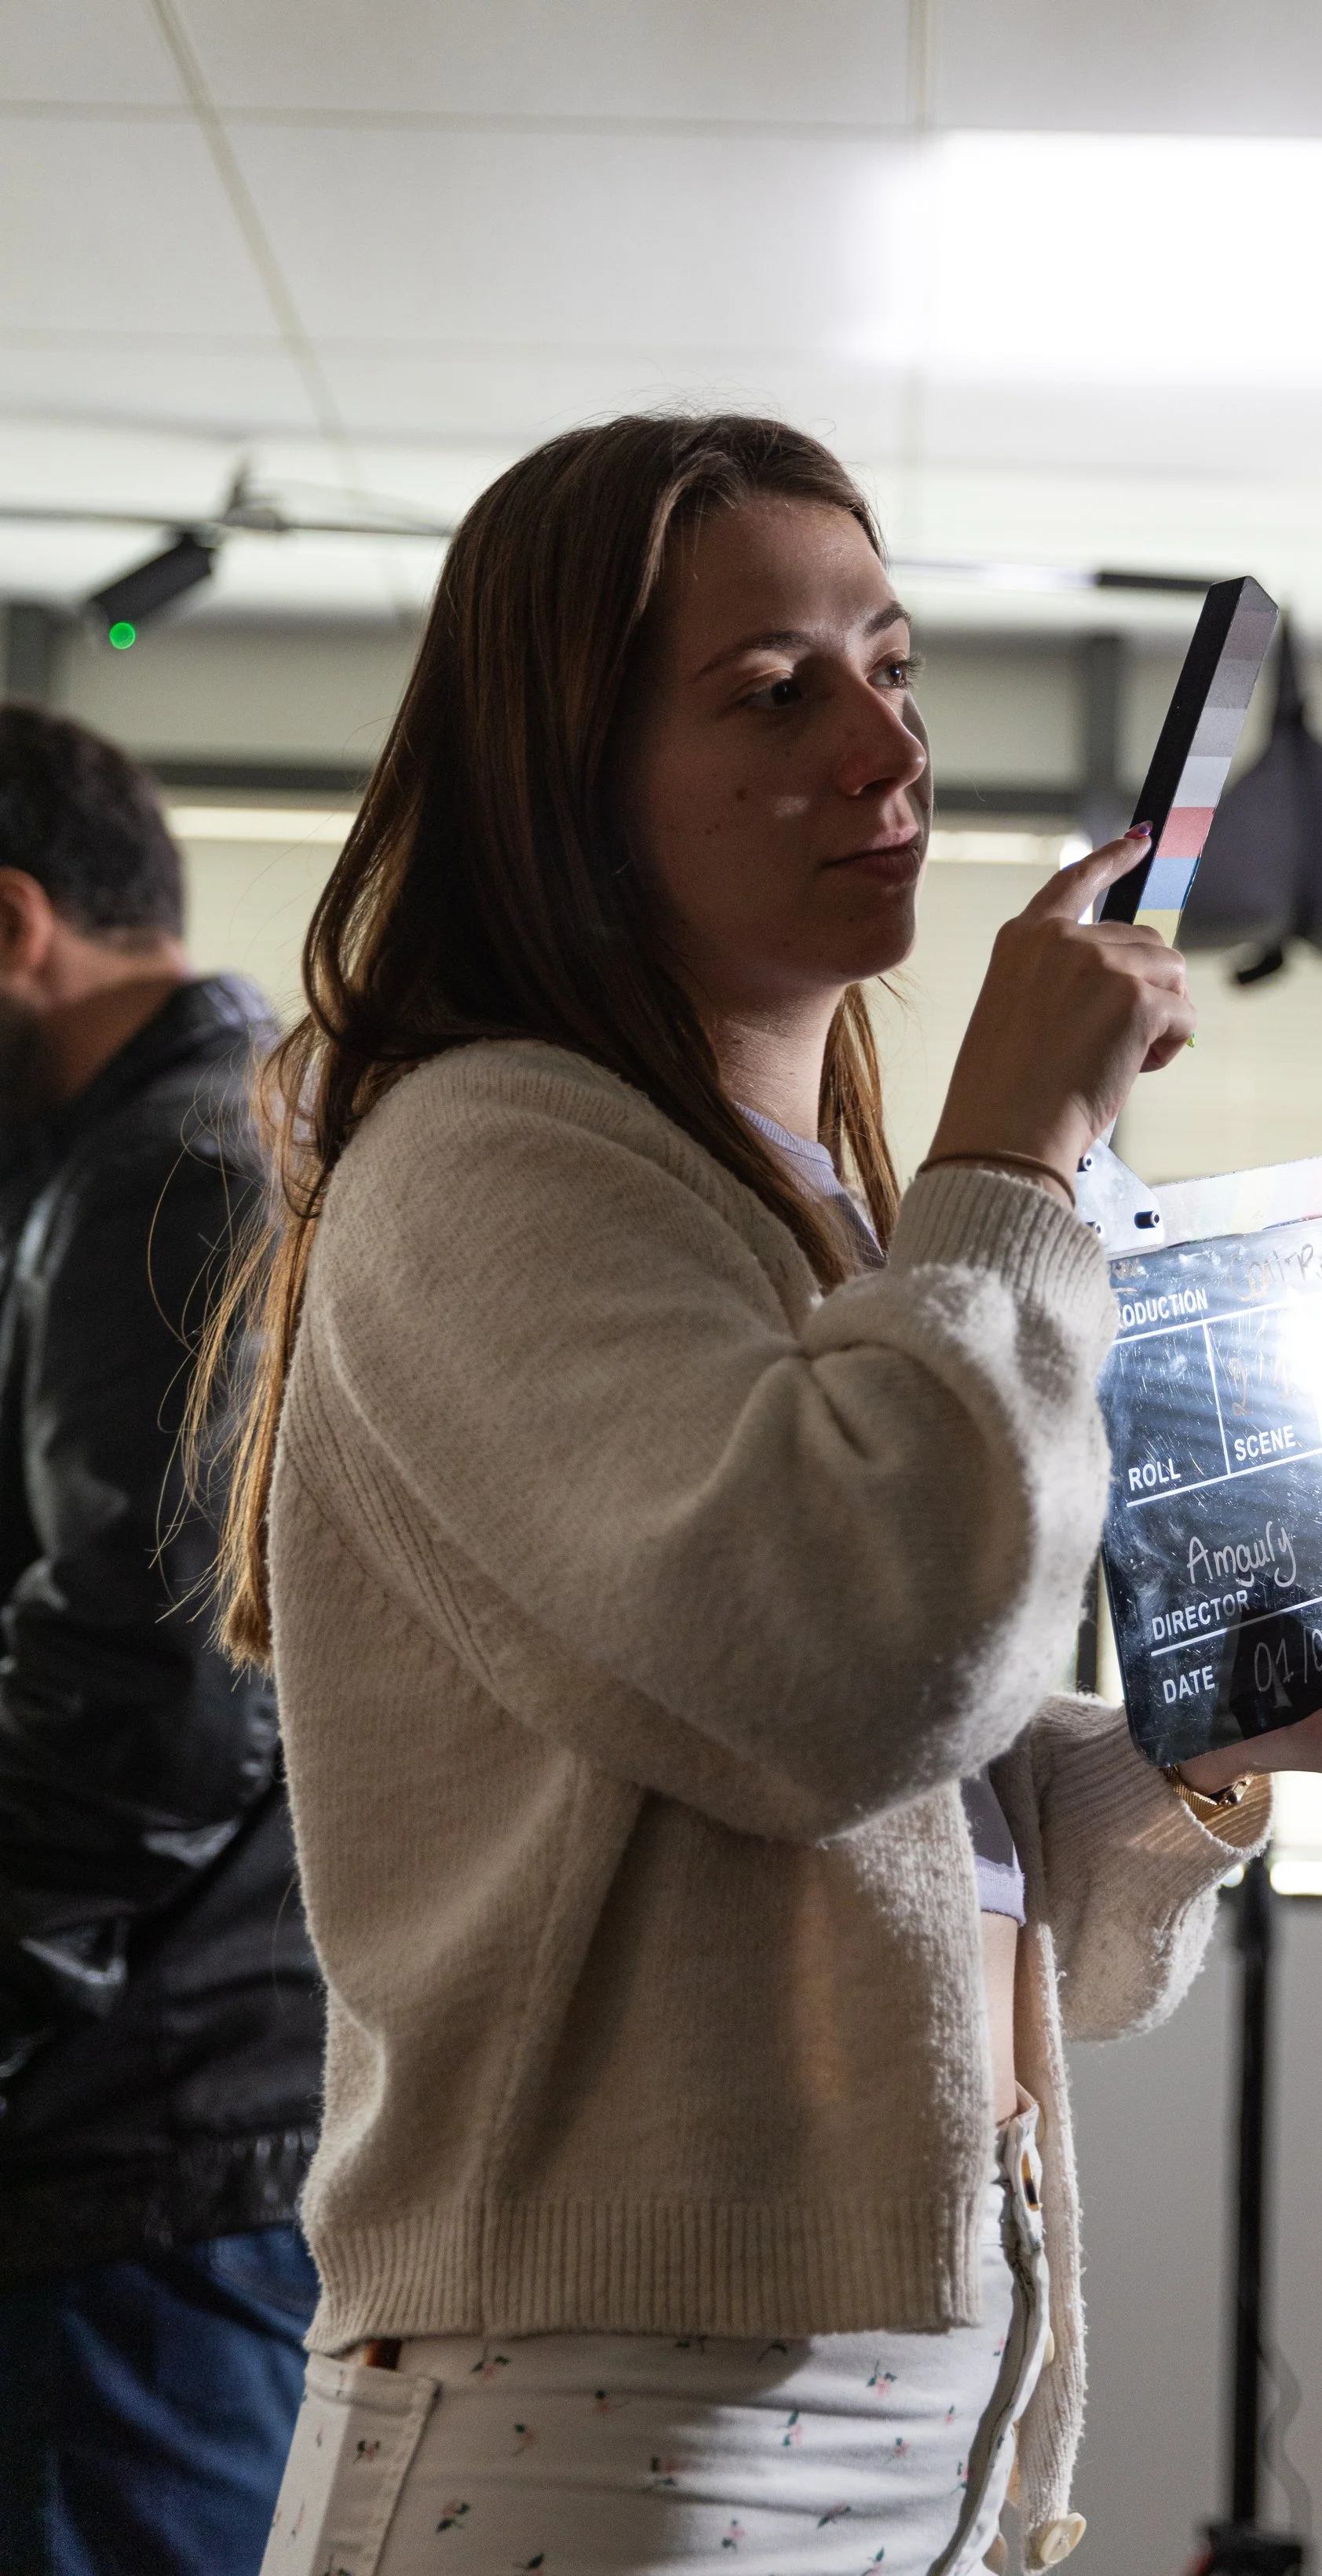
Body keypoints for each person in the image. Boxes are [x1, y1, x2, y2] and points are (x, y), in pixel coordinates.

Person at [224, 415, 1322, 2576]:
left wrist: (1201, 1754)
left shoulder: (805, 1207)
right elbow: (844, 1663)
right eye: (772, 692)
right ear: (566, 784)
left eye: (893, 663)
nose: (883, 746)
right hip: (604, 2411)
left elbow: (876, 1802)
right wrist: (1012, 1158)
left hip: (889, 2399)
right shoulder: (493, 1154)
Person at [0, 706, 325, 2572]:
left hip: (147, 2155)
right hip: (154, 2138)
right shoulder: (168, 1148)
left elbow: (157, 1694)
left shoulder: (174, 1176)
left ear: (14, 925)